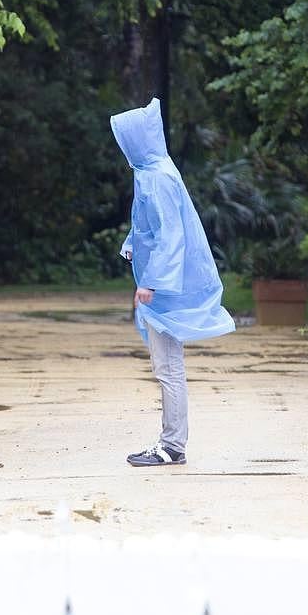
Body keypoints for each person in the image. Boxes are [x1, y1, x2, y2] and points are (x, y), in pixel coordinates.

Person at [111, 98, 235, 467]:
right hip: (161, 284)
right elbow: (145, 223)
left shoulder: (158, 177)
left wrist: (152, 282)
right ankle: (171, 442)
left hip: (163, 287)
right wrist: (132, 245)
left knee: (168, 367)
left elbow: (171, 235)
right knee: (166, 365)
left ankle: (172, 445)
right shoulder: (151, 170)